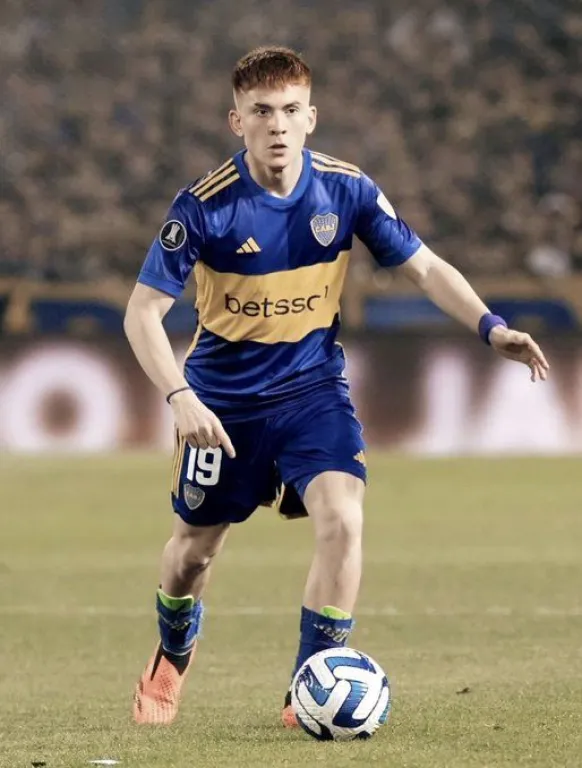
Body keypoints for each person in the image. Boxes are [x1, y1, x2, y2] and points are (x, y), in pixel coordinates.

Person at [124, 46, 549, 727]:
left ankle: (309, 686)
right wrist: (181, 398)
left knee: (343, 520)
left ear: (311, 117)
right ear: (237, 121)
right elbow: (141, 312)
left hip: (312, 390)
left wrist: (490, 326)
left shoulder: (347, 190)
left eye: (290, 110)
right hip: (222, 403)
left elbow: (425, 268)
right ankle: (172, 653)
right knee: (193, 556)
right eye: (262, 112)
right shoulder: (202, 208)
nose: (277, 125)